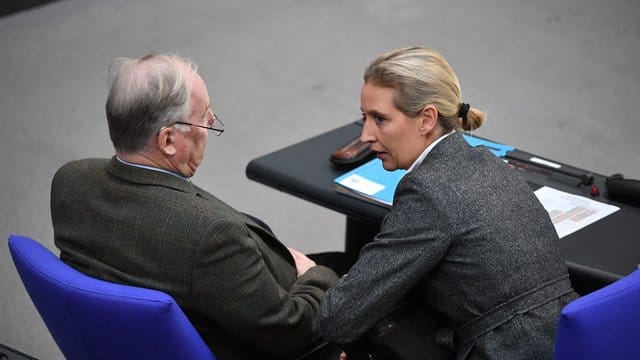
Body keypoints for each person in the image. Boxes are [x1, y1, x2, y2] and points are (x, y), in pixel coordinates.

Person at [50, 53, 347, 360]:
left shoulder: (70, 181)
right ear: (167, 140)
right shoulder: (209, 236)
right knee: (351, 271)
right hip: (261, 332)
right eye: (204, 119)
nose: (208, 127)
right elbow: (290, 331)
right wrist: (314, 275)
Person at [319, 46, 579, 359]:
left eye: (380, 119)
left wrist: (314, 277)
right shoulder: (486, 161)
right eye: (365, 117)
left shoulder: (426, 191)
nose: (366, 135)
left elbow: (338, 319)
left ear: (427, 119)